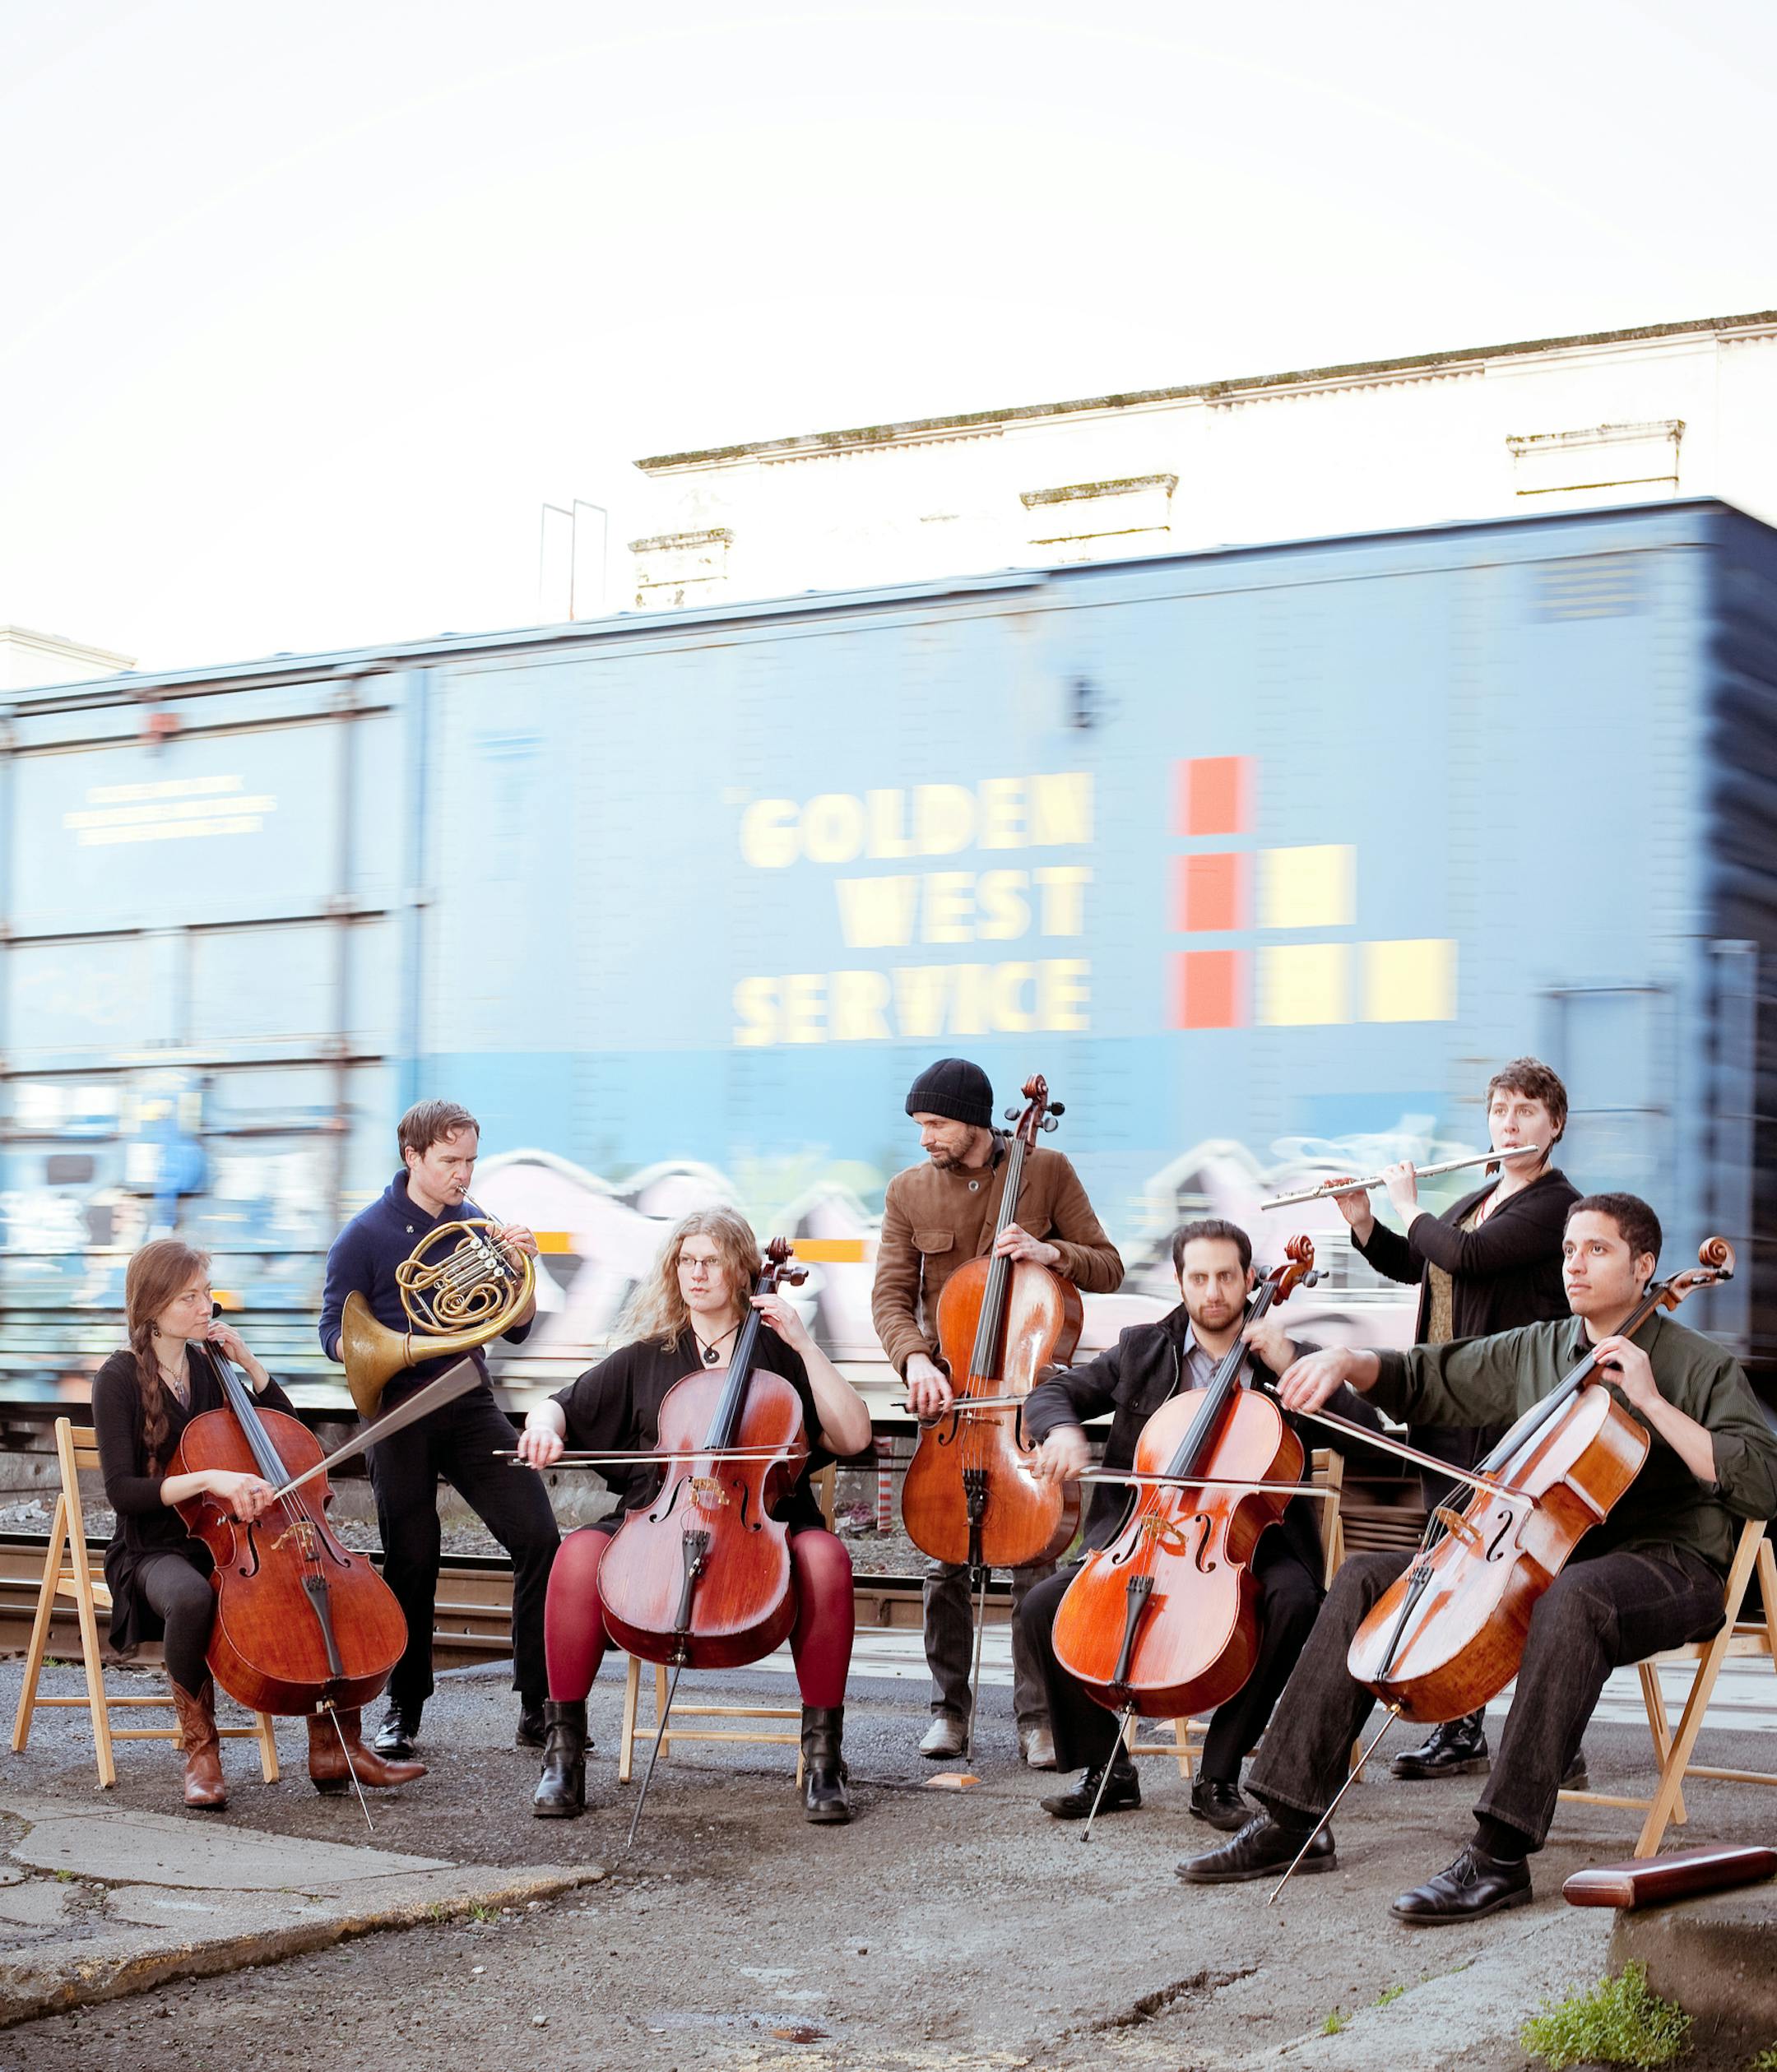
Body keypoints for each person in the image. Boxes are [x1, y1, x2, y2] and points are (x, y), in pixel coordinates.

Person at [1178, 1194, 1777, 1923]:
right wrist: (1348, 1359)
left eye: (1597, 1250)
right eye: (1568, 1250)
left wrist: (1651, 1399)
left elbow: (1761, 1478)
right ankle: (1288, 1815)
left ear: (1645, 1265)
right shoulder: (1544, 1347)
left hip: (1668, 1563)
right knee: (1369, 1575)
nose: (1574, 1265)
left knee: (1577, 1597)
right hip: (1549, 1554)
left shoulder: (1699, 1365)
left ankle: (1499, 1853)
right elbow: (1435, 1375)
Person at [1018, 1219, 1382, 1828]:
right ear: (1181, 1282)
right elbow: (1051, 1396)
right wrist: (1060, 1429)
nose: (1213, 1291)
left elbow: (1369, 1437)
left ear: (1247, 1280)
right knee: (1041, 1608)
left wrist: (1292, 1364)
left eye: (1225, 1277)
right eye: (1199, 1277)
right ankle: (1106, 1766)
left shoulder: (1287, 1357)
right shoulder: (1141, 1348)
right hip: (1149, 1535)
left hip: (1251, 1538)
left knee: (1295, 1601)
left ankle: (1218, 1776)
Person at [517, 1208, 873, 1824]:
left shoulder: (780, 1352)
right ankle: (563, 1752)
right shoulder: (649, 1356)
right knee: (575, 1555)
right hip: (660, 1520)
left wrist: (805, 1343)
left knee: (827, 1558)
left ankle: (823, 1757)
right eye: (686, 1260)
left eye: (710, 1260)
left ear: (740, 1269)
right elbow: (557, 1407)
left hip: (764, 1523)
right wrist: (542, 1429)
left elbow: (852, 1434)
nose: (696, 1273)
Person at [93, 1239, 426, 1808]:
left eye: (207, 1293)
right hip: (156, 1548)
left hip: (236, 1539)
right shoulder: (117, 1378)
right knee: (193, 1599)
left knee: (316, 1585)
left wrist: (249, 1364)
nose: (207, 1307)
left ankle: (336, 1747)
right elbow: (123, 1492)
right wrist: (211, 1480)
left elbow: (289, 1438)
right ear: (153, 1307)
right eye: (191, 1297)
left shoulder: (212, 1366)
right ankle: (202, 1752)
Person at [873, 1058, 1124, 1768]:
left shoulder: (1049, 1172)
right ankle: (949, 1711)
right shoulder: (907, 1192)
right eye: (920, 1125)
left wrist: (1051, 1251)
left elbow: (1108, 1264)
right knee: (943, 1563)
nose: (925, 1138)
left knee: (1035, 1559)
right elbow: (892, 1295)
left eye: (937, 1124)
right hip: (951, 1396)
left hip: (1023, 1401)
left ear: (979, 1122)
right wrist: (917, 1359)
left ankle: (1038, 1717)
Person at [1335, 1057, 1579, 1782]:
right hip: (1444, 1404)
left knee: (1512, 1577)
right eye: (1500, 1109)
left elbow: (1465, 1257)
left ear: (1554, 1125)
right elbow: (1421, 1264)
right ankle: (1462, 1724)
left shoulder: (1554, 1205)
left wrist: (1411, 1205)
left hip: (1502, 1414)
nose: (1508, 1122)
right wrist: (1366, 1222)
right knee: (1453, 1569)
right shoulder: (1484, 1194)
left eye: (1526, 1111)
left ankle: (1556, 1739)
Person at [318, 1100, 559, 1761]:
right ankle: (404, 1704)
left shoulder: (478, 1224)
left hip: (466, 1400)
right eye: (450, 1161)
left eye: (471, 1159)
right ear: (413, 1157)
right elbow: (333, 1333)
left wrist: (522, 1270)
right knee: (413, 1558)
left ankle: (539, 1706)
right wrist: (377, 1350)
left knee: (540, 1536)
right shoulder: (363, 1237)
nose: (463, 1173)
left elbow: (516, 1321)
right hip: (397, 1410)